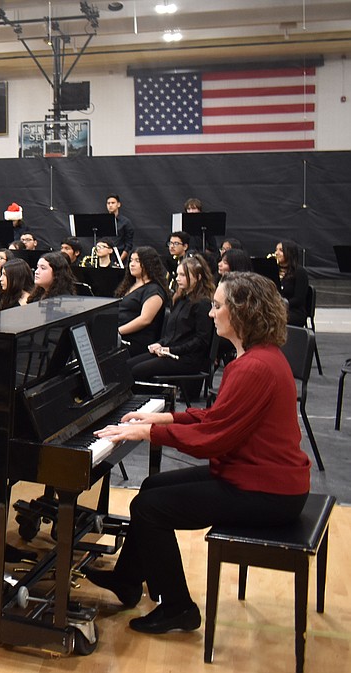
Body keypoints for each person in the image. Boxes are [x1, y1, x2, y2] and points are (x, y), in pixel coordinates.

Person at [88, 272, 311, 635]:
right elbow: (218, 417)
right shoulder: (257, 357)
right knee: (151, 488)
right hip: (255, 474)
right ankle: (127, 581)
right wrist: (161, 416)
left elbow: (212, 438)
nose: (211, 313)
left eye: (218, 305)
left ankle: (178, 608)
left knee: (149, 508)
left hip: (267, 491)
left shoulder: (254, 367)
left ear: (242, 312)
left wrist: (146, 431)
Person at [127, 255, 216, 390]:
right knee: (127, 366)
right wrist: (160, 344)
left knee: (137, 371)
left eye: (183, 275)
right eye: (178, 274)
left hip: (187, 359)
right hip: (171, 353)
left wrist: (171, 349)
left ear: (197, 278)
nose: (178, 278)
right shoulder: (180, 299)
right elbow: (173, 334)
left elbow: (201, 340)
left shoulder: (202, 304)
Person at [115, 246, 167, 358]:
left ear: (149, 264)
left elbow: (145, 320)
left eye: (137, 261)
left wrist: (118, 331)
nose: (132, 264)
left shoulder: (154, 290)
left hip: (136, 341)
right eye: (131, 260)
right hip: (120, 336)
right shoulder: (129, 285)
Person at [275, 239, 309, 326]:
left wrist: (280, 304)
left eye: (281, 250)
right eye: (276, 250)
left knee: (271, 319)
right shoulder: (274, 270)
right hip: (276, 309)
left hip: (294, 311)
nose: (276, 253)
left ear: (289, 253)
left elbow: (299, 299)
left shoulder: (300, 272)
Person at [106, 193, 135, 260]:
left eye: (113, 203)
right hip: (104, 257)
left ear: (118, 204)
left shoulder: (126, 222)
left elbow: (128, 245)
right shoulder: (102, 221)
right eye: (108, 203)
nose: (110, 205)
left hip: (119, 256)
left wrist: (120, 260)